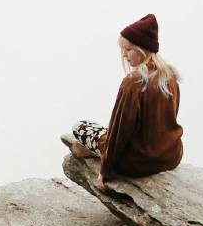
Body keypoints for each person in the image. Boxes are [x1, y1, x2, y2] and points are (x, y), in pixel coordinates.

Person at [62, 13, 183, 191]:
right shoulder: (170, 77)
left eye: (129, 49)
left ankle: (94, 151)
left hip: (137, 163)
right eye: (123, 50)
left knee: (81, 127)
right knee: (108, 133)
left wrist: (105, 169)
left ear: (143, 49)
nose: (125, 55)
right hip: (170, 156)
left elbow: (120, 132)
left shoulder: (133, 83)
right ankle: (95, 149)